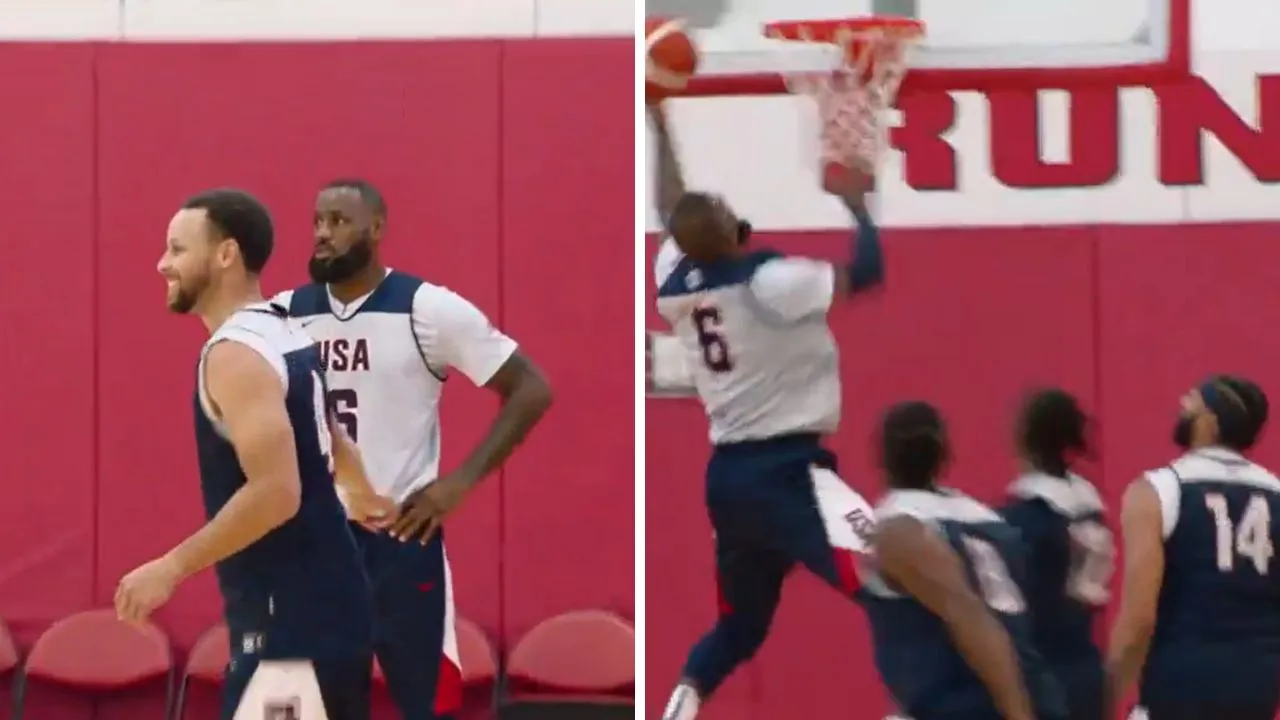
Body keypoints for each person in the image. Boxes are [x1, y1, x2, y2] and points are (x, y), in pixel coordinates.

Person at [273, 179, 553, 719]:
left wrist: (460, 481)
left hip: (400, 538)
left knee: (427, 704)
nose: (322, 234)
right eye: (317, 222)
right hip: (319, 544)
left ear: (376, 228)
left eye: (338, 221)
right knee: (325, 705)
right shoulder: (286, 314)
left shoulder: (427, 308)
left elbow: (532, 388)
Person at [117, 188, 393, 720]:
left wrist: (171, 568)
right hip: (327, 607)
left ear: (226, 254)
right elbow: (324, 423)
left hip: (291, 625)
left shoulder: (234, 354)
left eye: (177, 249)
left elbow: (277, 493)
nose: (162, 264)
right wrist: (355, 488)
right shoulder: (282, 328)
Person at [649, 104, 884, 720]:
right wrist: (858, 204)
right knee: (892, 583)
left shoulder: (674, 282)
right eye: (727, 210)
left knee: (741, 628)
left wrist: (658, 119)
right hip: (790, 473)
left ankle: (680, 704)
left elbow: (672, 206)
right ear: (730, 232)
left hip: (728, 479)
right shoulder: (772, 282)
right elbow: (868, 271)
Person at [861, 401, 1067, 720]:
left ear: (882, 457)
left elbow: (974, 624)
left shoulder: (901, 529)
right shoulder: (991, 521)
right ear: (944, 455)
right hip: (1038, 691)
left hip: (968, 703)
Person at [1105, 376, 1280, 720]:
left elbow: (1138, 619)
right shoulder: (1275, 492)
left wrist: (1104, 700)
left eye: (1194, 400)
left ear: (1211, 421)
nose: (1183, 402)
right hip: (1257, 688)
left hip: (1179, 686)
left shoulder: (1158, 489)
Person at [1002, 389, 1112, 720]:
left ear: (1026, 439)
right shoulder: (1089, 508)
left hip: (1039, 676)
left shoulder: (1026, 517)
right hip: (1086, 666)